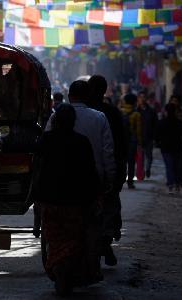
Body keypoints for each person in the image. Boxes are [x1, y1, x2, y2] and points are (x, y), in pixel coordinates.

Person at [46, 80, 116, 284]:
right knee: (90, 227)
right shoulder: (99, 118)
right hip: (88, 186)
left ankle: (62, 264)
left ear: (69, 97)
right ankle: (89, 267)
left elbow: (43, 153)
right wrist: (109, 180)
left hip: (57, 186)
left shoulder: (54, 118)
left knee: (61, 229)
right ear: (88, 97)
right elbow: (107, 153)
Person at [37, 103, 101, 295]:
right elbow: (90, 173)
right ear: (73, 122)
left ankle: (59, 268)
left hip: (50, 201)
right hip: (75, 202)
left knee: (55, 239)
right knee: (73, 239)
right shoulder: (81, 142)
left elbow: (38, 171)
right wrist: (95, 197)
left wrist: (36, 197)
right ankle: (65, 270)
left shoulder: (45, 140)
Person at [88, 75, 127, 266]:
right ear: (104, 91)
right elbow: (122, 144)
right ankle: (105, 241)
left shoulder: (81, 113)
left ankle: (101, 244)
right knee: (109, 209)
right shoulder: (112, 112)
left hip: (85, 173)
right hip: (108, 172)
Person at [156, 103, 182, 194]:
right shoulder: (180, 123)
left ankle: (171, 184)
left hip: (166, 148)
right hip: (177, 147)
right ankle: (175, 183)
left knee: (169, 166)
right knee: (176, 166)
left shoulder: (162, 122)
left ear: (166, 111)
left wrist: (158, 143)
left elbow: (157, 135)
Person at [121, 93, 142, 189]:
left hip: (121, 140)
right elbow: (138, 130)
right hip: (132, 141)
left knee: (122, 161)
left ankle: (121, 179)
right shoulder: (136, 114)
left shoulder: (120, 112)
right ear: (134, 102)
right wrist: (139, 142)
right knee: (131, 162)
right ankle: (130, 181)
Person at [137, 90, 158, 179]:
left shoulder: (152, 111)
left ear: (146, 99)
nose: (142, 99)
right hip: (138, 137)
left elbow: (155, 124)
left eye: (144, 97)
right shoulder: (136, 111)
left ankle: (148, 169)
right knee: (140, 157)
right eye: (140, 97)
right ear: (138, 99)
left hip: (149, 137)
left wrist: (155, 137)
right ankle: (141, 172)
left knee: (149, 156)